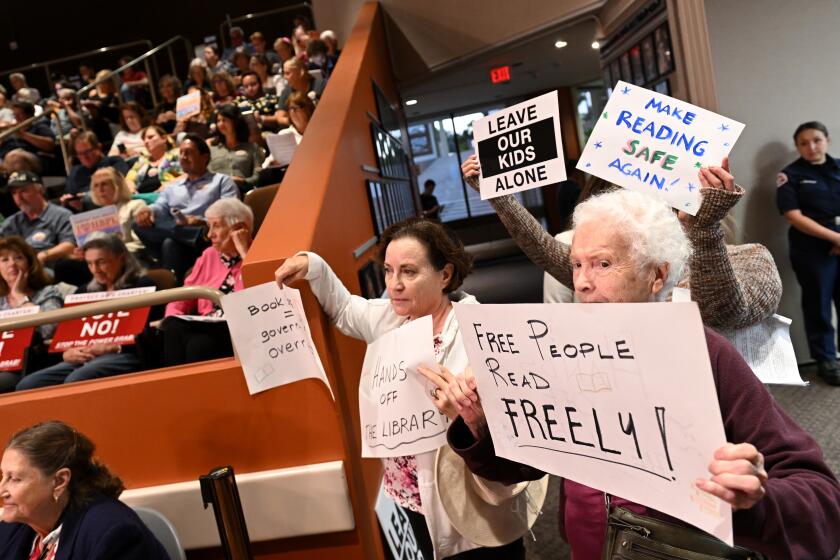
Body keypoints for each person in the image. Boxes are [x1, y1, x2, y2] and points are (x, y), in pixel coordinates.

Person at [442, 188, 840, 559]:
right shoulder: (564, 351)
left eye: (603, 264)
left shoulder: (703, 352)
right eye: (577, 264)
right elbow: (523, 464)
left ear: (657, 275)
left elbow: (821, 498)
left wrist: (756, 495)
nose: (581, 281)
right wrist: (480, 428)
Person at [275, 218, 534, 559]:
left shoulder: (478, 329)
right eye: (388, 271)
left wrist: (465, 415)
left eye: (409, 272)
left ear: (444, 275)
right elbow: (342, 307)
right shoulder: (388, 319)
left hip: (470, 495)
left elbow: (515, 426)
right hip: (411, 494)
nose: (395, 284)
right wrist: (312, 264)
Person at [460, 155, 782, 331]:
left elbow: (722, 312)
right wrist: (498, 195)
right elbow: (547, 251)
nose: (584, 282)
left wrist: (704, 227)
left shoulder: (751, 259)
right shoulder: (603, 265)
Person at [0, 420, 169, 558]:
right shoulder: (11, 529)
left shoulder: (112, 533)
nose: (2, 491)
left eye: (15, 479)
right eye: (3, 476)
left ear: (59, 481)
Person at [16, 234, 153, 390]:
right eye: (89, 263)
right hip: (84, 357)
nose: (95, 270)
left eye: (101, 262)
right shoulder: (83, 292)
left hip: (124, 354)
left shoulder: (142, 286)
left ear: (121, 258)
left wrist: (115, 347)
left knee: (77, 379)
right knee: (28, 384)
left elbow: (152, 334)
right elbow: (67, 336)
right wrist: (66, 353)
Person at [776, 121, 840, 385]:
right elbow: (792, 215)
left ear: (827, 140)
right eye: (804, 143)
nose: (811, 147)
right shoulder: (790, 175)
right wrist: (835, 238)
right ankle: (826, 359)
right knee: (819, 305)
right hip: (812, 250)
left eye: (816, 140)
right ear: (797, 146)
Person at [160, 198, 252, 366]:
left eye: (216, 226)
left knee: (199, 346)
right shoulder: (209, 255)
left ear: (239, 228)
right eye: (209, 227)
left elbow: (253, 298)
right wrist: (173, 317)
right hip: (208, 326)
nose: (209, 234)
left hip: (242, 328)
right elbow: (183, 296)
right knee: (172, 328)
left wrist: (244, 252)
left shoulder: (256, 254)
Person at [132, 134, 238, 280]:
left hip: (209, 235)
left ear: (204, 157)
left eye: (188, 152)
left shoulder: (221, 181)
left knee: (170, 243)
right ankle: (192, 235)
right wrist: (148, 211)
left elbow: (232, 212)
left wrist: (201, 222)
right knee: (139, 224)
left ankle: (171, 291)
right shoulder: (172, 187)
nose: (182, 157)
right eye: (181, 153)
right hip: (186, 236)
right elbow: (159, 206)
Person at [0, 236, 64, 392]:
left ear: (30, 263)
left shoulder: (47, 293)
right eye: (4, 260)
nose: (12, 264)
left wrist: (20, 296)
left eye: (18, 258)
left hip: (28, 366)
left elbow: (49, 328)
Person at [0, 171, 75, 266]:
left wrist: (44, 255)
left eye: (23, 191)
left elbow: (69, 245)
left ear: (40, 190)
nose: (19, 197)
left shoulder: (61, 215)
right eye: (14, 193)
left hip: (47, 268)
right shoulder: (11, 222)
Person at [89, 167, 146, 257]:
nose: (100, 190)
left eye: (104, 184)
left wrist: (112, 253)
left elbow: (140, 243)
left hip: (132, 259)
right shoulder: (95, 216)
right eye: (96, 185)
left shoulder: (136, 206)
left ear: (117, 186)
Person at [209, 104, 264, 192]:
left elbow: (258, 177)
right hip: (217, 193)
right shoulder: (213, 150)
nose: (220, 124)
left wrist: (242, 181)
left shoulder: (252, 148)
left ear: (235, 122)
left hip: (244, 192)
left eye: (224, 120)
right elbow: (207, 177)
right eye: (218, 121)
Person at [64, 131, 129, 199]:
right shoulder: (75, 172)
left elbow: (118, 185)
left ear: (98, 147)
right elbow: (69, 195)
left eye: (87, 152)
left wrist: (84, 196)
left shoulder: (114, 162)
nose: (84, 157)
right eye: (80, 153)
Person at [125, 125, 182, 194]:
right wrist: (132, 190)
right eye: (144, 139)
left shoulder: (176, 154)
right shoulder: (141, 161)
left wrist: (170, 185)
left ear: (164, 138)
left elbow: (189, 174)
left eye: (150, 137)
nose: (146, 141)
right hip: (142, 198)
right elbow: (129, 179)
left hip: (168, 194)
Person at [0, 102, 56, 172]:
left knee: (15, 157)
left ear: (29, 114)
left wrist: (23, 134)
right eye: (15, 115)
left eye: (20, 114)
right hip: (5, 158)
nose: (16, 117)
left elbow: (50, 145)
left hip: (32, 157)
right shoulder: (9, 129)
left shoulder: (39, 127)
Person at [275, 57, 321, 127]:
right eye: (284, 73)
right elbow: (280, 117)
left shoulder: (321, 85)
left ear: (301, 72)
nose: (284, 77)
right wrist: (298, 123)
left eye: (287, 73)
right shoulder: (286, 92)